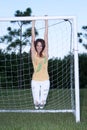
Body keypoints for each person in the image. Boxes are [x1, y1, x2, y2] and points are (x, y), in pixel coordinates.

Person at [31, 19, 50, 109]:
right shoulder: (33, 54)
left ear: (43, 46)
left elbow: (46, 36)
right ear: (35, 46)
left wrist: (46, 21)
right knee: (36, 103)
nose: (39, 47)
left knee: (42, 103)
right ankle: (37, 103)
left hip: (45, 80)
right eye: (37, 45)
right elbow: (32, 38)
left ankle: (42, 103)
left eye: (41, 45)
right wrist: (33, 23)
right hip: (35, 80)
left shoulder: (45, 53)